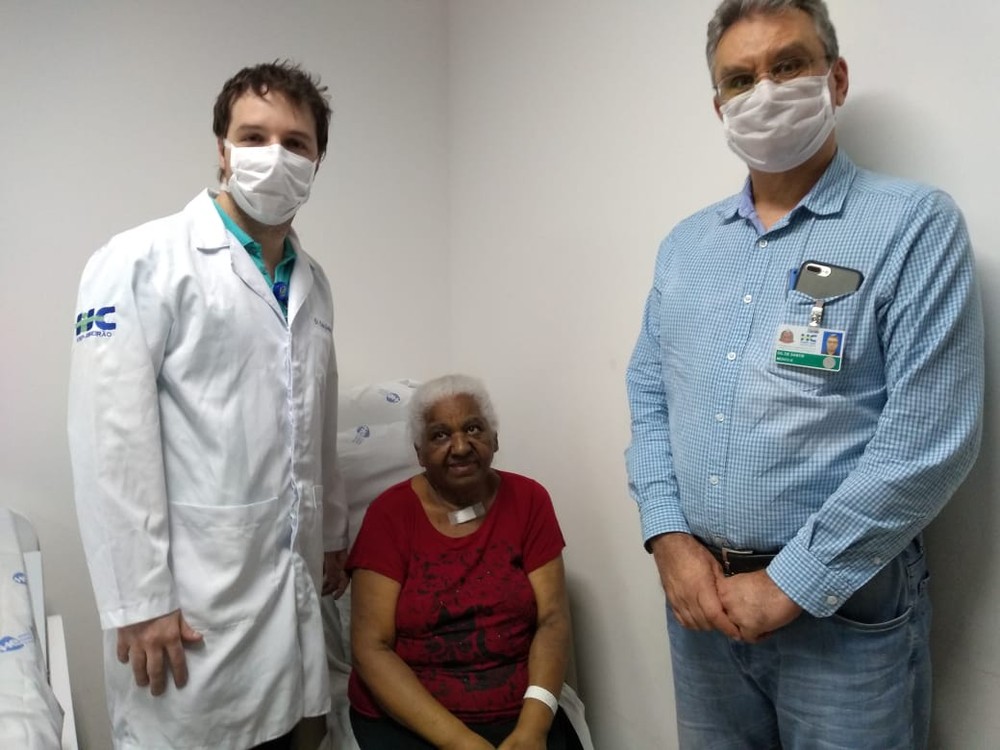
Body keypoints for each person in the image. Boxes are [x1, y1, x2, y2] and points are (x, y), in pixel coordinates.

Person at [625, 2, 983, 748]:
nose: (765, 91)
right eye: (740, 77)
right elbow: (649, 395)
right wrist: (666, 536)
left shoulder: (913, 224)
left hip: (844, 612)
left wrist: (795, 580)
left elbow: (930, 438)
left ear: (836, 77)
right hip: (701, 606)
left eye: (788, 65)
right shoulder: (686, 248)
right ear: (718, 105)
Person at [67, 61, 348, 750]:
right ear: (221, 148)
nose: (273, 157)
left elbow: (317, 422)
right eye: (253, 137)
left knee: (292, 732)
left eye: (296, 143)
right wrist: (140, 601)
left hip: (286, 589)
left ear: (318, 161)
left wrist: (331, 536)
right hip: (185, 605)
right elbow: (110, 441)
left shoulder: (312, 281)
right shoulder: (141, 261)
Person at [346, 375, 583, 749]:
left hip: (521, 711)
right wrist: (461, 742)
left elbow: (552, 619)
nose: (460, 447)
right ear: (419, 452)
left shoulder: (529, 500)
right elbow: (370, 648)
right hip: (413, 719)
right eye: (440, 435)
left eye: (473, 428)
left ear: (495, 438)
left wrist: (533, 727)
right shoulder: (389, 515)